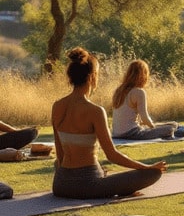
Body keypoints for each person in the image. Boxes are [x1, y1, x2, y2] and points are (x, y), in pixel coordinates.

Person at [51, 47, 166, 199]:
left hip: (60, 184)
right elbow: (112, 155)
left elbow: (60, 154)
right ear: (92, 77)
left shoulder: (57, 106)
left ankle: (106, 180)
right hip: (88, 185)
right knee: (153, 174)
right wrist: (146, 167)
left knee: (105, 173)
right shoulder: (95, 111)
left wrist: (68, 176)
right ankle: (113, 185)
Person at [110, 60, 178, 140]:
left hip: (116, 134)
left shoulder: (118, 90)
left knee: (169, 124)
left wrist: (150, 126)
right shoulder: (138, 92)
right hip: (132, 133)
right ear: (143, 75)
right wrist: (153, 127)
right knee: (173, 126)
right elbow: (145, 118)